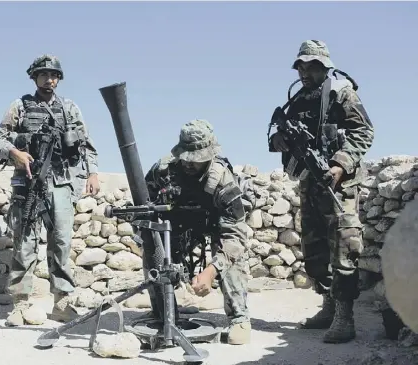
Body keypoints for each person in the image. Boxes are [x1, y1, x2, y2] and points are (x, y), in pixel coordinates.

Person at [268, 40, 374, 343]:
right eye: (300, 66)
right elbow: (283, 133)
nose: (304, 71)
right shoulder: (299, 98)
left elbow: (363, 131)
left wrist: (341, 163)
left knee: (344, 248)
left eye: (311, 66)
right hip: (310, 184)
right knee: (315, 251)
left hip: (339, 186)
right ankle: (327, 305)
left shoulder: (342, 94)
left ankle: (345, 316)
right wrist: (279, 140)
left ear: (323, 67)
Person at [0, 54, 100, 326]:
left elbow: (86, 144)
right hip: (28, 182)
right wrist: (15, 153)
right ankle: (20, 304)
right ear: (34, 77)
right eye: (43, 74)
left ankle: (62, 302)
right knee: (25, 243)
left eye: (53, 75)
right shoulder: (20, 106)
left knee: (61, 243)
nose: (49, 79)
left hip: (61, 182)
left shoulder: (69, 108)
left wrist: (93, 172)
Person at [144, 119, 251, 345]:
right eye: (187, 157)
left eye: (197, 159)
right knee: (151, 242)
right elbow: (145, 204)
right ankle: (163, 312)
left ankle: (239, 318)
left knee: (232, 256)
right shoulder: (162, 171)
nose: (190, 164)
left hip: (215, 225)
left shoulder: (222, 179)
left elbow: (234, 236)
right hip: (175, 226)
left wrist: (212, 271)